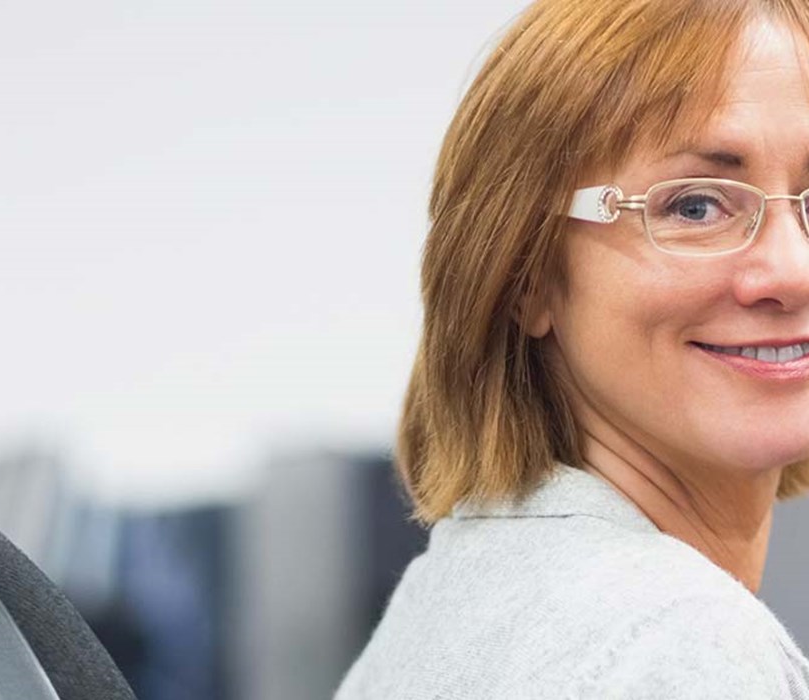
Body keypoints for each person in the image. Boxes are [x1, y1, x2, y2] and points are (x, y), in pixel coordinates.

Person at [337, 0, 809, 697]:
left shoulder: (452, 592)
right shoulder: (681, 643)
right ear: (525, 275)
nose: (794, 271)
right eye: (696, 205)